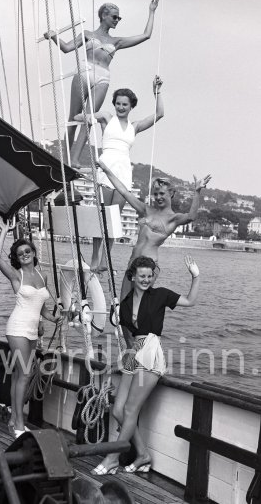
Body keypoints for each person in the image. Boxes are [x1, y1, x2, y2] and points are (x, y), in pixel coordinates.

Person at [91, 255, 200, 475]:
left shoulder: (161, 295)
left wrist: (196, 276)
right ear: (132, 276)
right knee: (119, 410)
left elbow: (190, 301)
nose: (146, 279)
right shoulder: (125, 304)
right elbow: (128, 338)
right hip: (134, 352)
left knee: (131, 409)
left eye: (150, 276)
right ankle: (143, 454)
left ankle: (112, 458)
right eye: (142, 276)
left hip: (151, 351)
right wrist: (123, 359)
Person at [43, 0, 159, 167]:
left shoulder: (116, 41)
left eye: (119, 18)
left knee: (89, 119)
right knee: (73, 117)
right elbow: (67, 48)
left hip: (103, 77)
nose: (117, 20)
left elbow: (146, 35)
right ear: (104, 16)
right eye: (115, 17)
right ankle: (64, 157)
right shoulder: (87, 34)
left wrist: (151, 11)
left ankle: (74, 159)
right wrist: (53, 36)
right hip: (85, 71)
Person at [77, 76, 164, 272]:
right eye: (118, 103)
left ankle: (105, 261)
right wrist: (90, 117)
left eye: (124, 104)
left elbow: (160, 114)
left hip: (124, 173)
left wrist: (157, 92)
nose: (121, 107)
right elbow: (78, 117)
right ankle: (94, 261)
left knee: (113, 220)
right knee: (102, 217)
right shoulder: (107, 117)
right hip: (106, 169)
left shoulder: (135, 127)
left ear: (131, 106)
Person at [95, 159, 211, 300]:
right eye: (155, 194)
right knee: (124, 306)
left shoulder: (173, 219)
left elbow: (191, 216)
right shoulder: (146, 210)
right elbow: (124, 192)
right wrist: (105, 169)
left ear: (171, 194)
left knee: (139, 308)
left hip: (148, 267)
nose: (158, 197)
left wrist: (197, 192)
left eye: (162, 193)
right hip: (132, 263)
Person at [0, 216, 61, 438]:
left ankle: (13, 420)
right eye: (20, 254)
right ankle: (20, 425)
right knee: (24, 375)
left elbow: (41, 307)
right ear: (17, 258)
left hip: (32, 329)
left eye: (27, 252)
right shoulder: (16, 276)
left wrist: (52, 318)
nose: (24, 255)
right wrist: (4, 230)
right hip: (17, 328)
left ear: (33, 253)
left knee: (19, 376)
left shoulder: (43, 276)